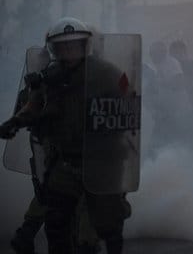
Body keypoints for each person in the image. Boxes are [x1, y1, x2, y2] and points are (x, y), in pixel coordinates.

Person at [0, 17, 134, 254]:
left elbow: (128, 104)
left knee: (102, 227)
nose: (68, 50)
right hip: (65, 160)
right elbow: (33, 105)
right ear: (54, 49)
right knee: (57, 222)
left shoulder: (106, 74)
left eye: (74, 45)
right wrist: (15, 122)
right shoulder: (49, 77)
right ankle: (29, 234)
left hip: (101, 162)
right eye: (63, 46)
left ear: (85, 45)